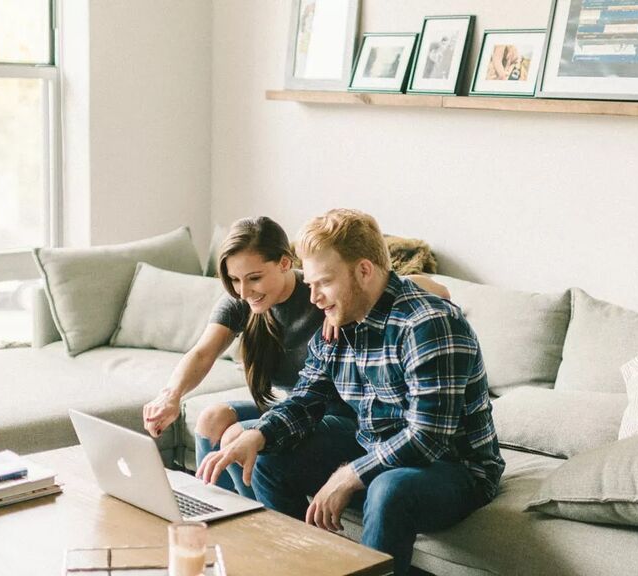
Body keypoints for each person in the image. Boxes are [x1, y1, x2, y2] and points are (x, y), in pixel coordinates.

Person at [200, 209, 505, 575]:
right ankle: (303, 566)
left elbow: (428, 438)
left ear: (364, 270)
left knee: (390, 489)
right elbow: (305, 399)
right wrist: (259, 434)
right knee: (268, 458)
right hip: (374, 444)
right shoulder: (339, 322)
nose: (313, 298)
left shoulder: (428, 325)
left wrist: (350, 474)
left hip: (454, 466)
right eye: (309, 283)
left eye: (323, 283)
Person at [143, 216, 450, 499]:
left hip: (342, 413)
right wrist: (170, 397)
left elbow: (438, 290)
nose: (244, 290)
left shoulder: (323, 291)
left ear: (285, 263)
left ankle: (260, 524)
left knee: (238, 436)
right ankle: (217, 515)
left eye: (254, 278)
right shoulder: (242, 301)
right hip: (299, 405)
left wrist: (335, 308)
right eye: (234, 280)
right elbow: (202, 352)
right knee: (212, 418)